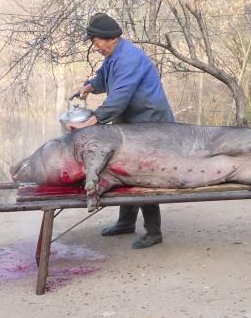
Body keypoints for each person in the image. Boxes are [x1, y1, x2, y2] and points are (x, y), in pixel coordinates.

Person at [71, 12, 175, 249]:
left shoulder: (129, 59)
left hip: (151, 124)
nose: (95, 46)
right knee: (123, 168)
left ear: (110, 38)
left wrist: (92, 121)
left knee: (143, 173)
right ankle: (126, 222)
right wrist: (90, 85)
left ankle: (153, 231)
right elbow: (104, 76)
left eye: (96, 41)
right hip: (132, 123)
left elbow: (118, 99)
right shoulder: (114, 56)